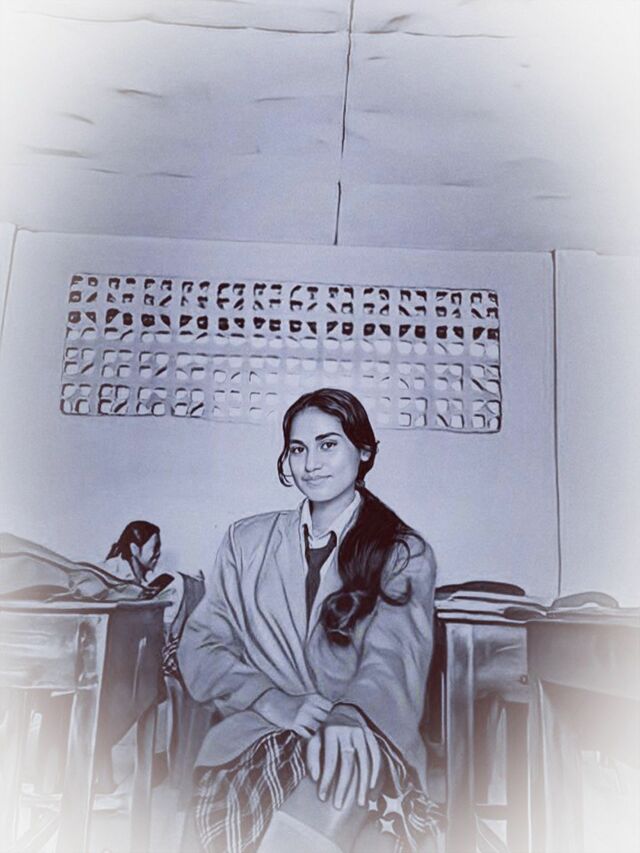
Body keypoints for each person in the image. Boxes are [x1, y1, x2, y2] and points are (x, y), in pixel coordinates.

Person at [179, 388, 442, 853]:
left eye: (328, 445)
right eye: (298, 449)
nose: (311, 464)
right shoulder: (246, 540)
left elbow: (393, 659)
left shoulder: (403, 551)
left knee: (345, 770)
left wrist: (348, 715)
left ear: (363, 451)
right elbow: (201, 645)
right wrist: (271, 700)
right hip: (258, 736)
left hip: (364, 733)